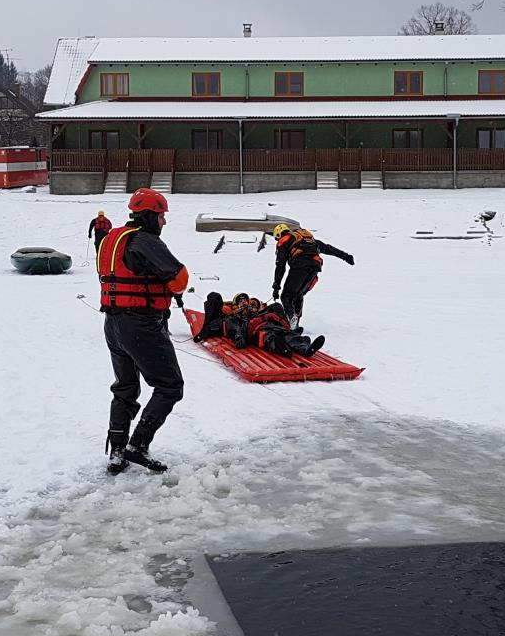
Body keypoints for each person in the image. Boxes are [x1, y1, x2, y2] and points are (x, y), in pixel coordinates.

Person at [98, 187, 189, 474]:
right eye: (161, 216)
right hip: (141, 324)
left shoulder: (113, 238)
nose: (164, 221)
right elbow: (180, 279)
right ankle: (137, 445)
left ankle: (117, 453)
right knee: (170, 386)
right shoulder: (145, 241)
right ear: (149, 216)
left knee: (125, 387)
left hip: (113, 324)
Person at [271, 224, 354, 327]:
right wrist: (345, 256)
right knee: (298, 295)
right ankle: (295, 323)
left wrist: (276, 287)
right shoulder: (307, 239)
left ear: (278, 235)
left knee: (286, 296)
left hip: (299, 266)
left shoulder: (284, 241)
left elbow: (280, 266)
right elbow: (327, 248)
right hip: (315, 267)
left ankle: (292, 319)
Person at [196, 292, 324, 357]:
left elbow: (271, 312)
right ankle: (282, 348)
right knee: (268, 336)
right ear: (235, 304)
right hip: (254, 330)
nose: (243, 302)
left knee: (285, 333)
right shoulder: (232, 316)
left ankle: (305, 349)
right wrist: (238, 337)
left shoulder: (257, 310)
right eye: (240, 301)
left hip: (269, 323)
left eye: (245, 299)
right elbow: (228, 326)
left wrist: (255, 309)